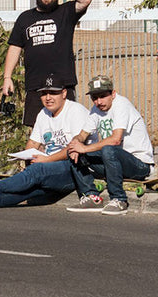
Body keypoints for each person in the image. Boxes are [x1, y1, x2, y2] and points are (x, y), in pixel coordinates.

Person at [0, 73, 89, 208]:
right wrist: (29, 154)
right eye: (44, 93)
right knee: (32, 190)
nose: (48, 98)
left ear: (64, 93)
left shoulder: (76, 111)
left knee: (37, 171)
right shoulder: (43, 114)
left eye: (53, 93)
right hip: (51, 169)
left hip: (75, 169)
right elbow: (33, 143)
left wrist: (46, 160)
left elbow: (74, 148)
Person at [2, 0, 93, 127]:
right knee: (38, 132)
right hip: (35, 86)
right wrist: (7, 77)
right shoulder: (25, 18)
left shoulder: (66, 12)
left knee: (66, 130)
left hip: (62, 86)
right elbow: (15, 47)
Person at [65, 75, 156, 215]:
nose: (98, 101)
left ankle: (119, 199)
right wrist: (76, 144)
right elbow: (83, 134)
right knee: (72, 152)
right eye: (94, 98)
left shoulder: (122, 105)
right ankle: (92, 197)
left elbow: (115, 140)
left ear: (113, 94)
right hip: (114, 164)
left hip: (139, 164)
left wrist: (84, 148)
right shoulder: (96, 110)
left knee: (108, 149)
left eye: (102, 96)